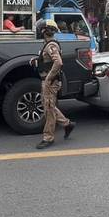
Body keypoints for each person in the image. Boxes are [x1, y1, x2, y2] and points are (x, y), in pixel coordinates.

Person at [32, 19, 75, 149]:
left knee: (49, 109)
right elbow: (49, 62)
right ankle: (67, 124)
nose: (39, 31)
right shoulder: (48, 44)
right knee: (48, 106)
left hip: (49, 82)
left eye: (40, 29)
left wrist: (49, 79)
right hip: (48, 81)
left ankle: (48, 137)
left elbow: (58, 63)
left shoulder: (51, 45)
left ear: (45, 31)